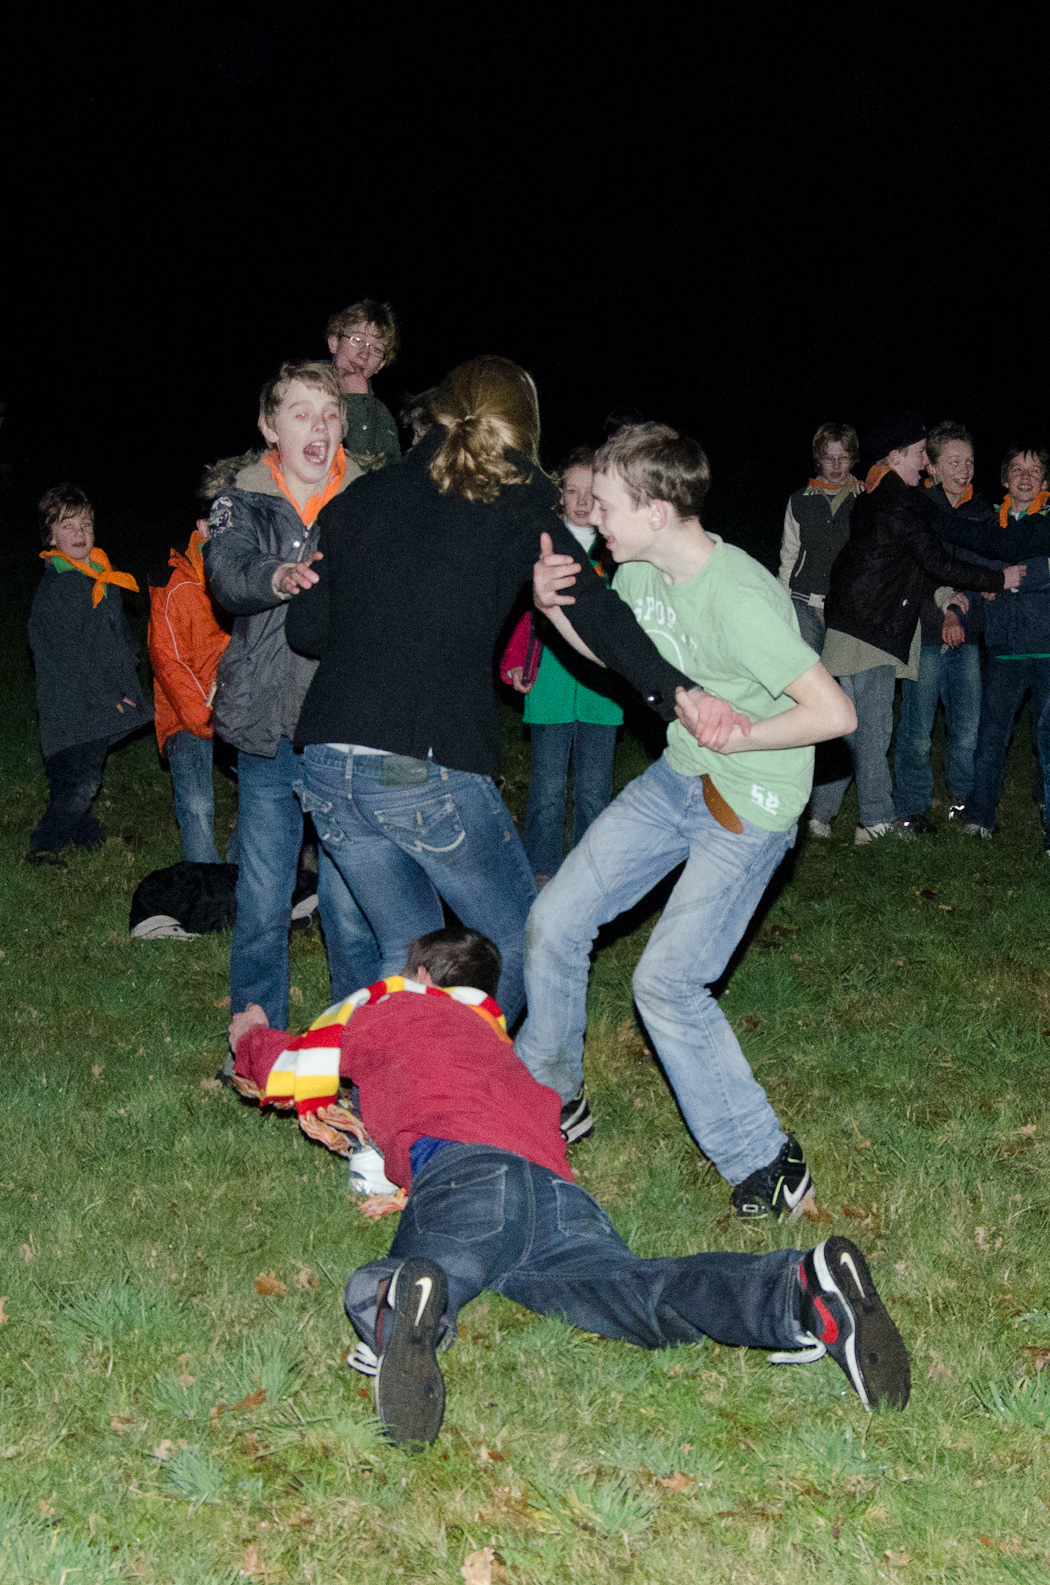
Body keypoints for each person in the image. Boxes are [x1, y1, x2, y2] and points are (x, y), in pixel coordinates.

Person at [227, 926, 911, 1450]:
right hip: (556, 1196)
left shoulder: (399, 1007)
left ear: (423, 976)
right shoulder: (502, 1052)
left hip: (467, 1177)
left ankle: (400, 1302)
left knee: (426, 1268)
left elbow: (298, 1063)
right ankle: (799, 1289)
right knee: (638, 1293)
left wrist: (252, 1036)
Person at [283, 357, 748, 1026]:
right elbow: (595, 608)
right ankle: (475, 1072)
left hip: (328, 762)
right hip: (423, 762)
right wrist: (677, 689)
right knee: (522, 936)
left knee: (406, 944)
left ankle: (392, 1080)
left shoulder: (357, 497)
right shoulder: (518, 495)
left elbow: (306, 630)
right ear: (523, 426)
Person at [517, 422, 856, 1209]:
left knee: (667, 982)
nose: (592, 515)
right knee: (554, 918)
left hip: (752, 803)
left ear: (657, 511)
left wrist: (743, 732)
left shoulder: (738, 597)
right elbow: (620, 653)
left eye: (606, 504)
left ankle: (768, 1162)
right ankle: (552, 1098)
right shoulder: (641, 569)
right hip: (680, 776)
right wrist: (553, 609)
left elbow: (836, 713)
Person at [204, 361, 380, 1028]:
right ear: (269, 426)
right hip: (267, 730)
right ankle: (254, 1043)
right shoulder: (240, 501)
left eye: (330, 414)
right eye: (301, 413)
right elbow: (227, 573)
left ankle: (359, 1045)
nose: (319, 427)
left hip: (346, 727)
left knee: (351, 902)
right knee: (263, 897)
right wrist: (276, 575)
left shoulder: (371, 498)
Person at [816, 413, 1022, 844]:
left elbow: (908, 565)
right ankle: (875, 820)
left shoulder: (879, 493)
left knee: (848, 726)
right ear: (895, 456)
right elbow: (935, 560)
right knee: (873, 730)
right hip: (869, 626)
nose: (925, 463)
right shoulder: (897, 500)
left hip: (854, 620)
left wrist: (944, 596)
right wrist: (998, 579)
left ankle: (820, 814)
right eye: (919, 454)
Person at [500, 446, 625, 885]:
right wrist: (515, 660)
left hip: (602, 690)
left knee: (594, 790)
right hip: (550, 683)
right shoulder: (542, 545)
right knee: (547, 789)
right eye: (571, 491)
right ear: (559, 495)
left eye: (591, 492)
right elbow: (520, 610)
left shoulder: (618, 551)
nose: (582, 501)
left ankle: (587, 874)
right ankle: (540, 873)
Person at [27, 485, 153, 866]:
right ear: (51, 537)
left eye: (85, 524)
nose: (80, 533)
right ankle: (44, 845)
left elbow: (115, 636)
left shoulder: (98, 577)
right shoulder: (59, 590)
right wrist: (109, 697)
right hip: (69, 708)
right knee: (80, 782)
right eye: (68, 527)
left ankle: (86, 836)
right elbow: (72, 659)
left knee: (78, 776)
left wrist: (130, 659)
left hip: (91, 706)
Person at [892, 422, 991, 831]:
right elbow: (914, 573)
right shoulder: (916, 509)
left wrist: (961, 616)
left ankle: (962, 801)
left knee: (967, 729)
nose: (964, 470)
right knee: (918, 730)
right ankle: (911, 807)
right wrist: (943, 613)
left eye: (969, 462)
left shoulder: (983, 513)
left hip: (965, 637)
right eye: (953, 462)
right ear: (931, 466)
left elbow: (984, 577)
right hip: (923, 636)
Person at [959, 445, 1050, 847]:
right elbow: (975, 572)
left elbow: (1039, 571)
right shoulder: (990, 524)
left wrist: (1010, 579)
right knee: (991, 736)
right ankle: (980, 815)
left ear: (1045, 481)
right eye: (1017, 469)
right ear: (1004, 479)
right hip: (1003, 650)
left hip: (1047, 649)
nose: (1025, 477)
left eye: (1034, 470)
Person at [778, 422, 863, 839]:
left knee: (843, 708)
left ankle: (823, 809)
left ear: (852, 458)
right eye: (828, 457)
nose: (835, 465)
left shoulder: (865, 497)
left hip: (845, 613)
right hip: (803, 607)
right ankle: (790, 799)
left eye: (842, 457)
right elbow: (787, 557)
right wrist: (780, 611)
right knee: (801, 704)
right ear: (817, 458)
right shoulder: (800, 500)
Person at [147, 472, 236, 864]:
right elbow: (167, 660)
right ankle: (203, 875)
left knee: (271, 787)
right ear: (202, 526)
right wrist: (202, 717)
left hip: (233, 704)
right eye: (220, 523)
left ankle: (241, 869)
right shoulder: (175, 583)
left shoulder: (242, 574)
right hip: (186, 713)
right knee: (198, 802)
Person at [326, 299, 401, 472]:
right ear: (334, 343)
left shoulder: (382, 417)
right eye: (357, 340)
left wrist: (358, 400)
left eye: (376, 349)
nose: (364, 354)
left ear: (380, 365)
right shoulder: (302, 390)